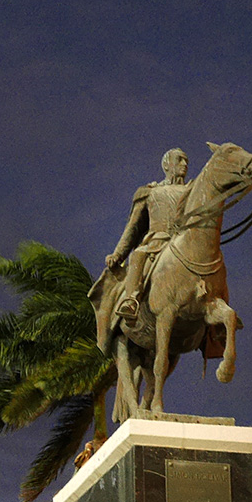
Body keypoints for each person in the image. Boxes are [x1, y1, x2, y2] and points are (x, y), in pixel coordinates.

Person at [92, 148, 191, 351]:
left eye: (186, 161)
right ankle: (131, 300)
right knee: (138, 255)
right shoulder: (150, 192)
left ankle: (215, 324)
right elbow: (133, 228)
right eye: (179, 160)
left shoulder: (192, 191)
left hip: (183, 245)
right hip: (157, 243)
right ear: (166, 165)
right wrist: (118, 254)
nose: (184, 164)